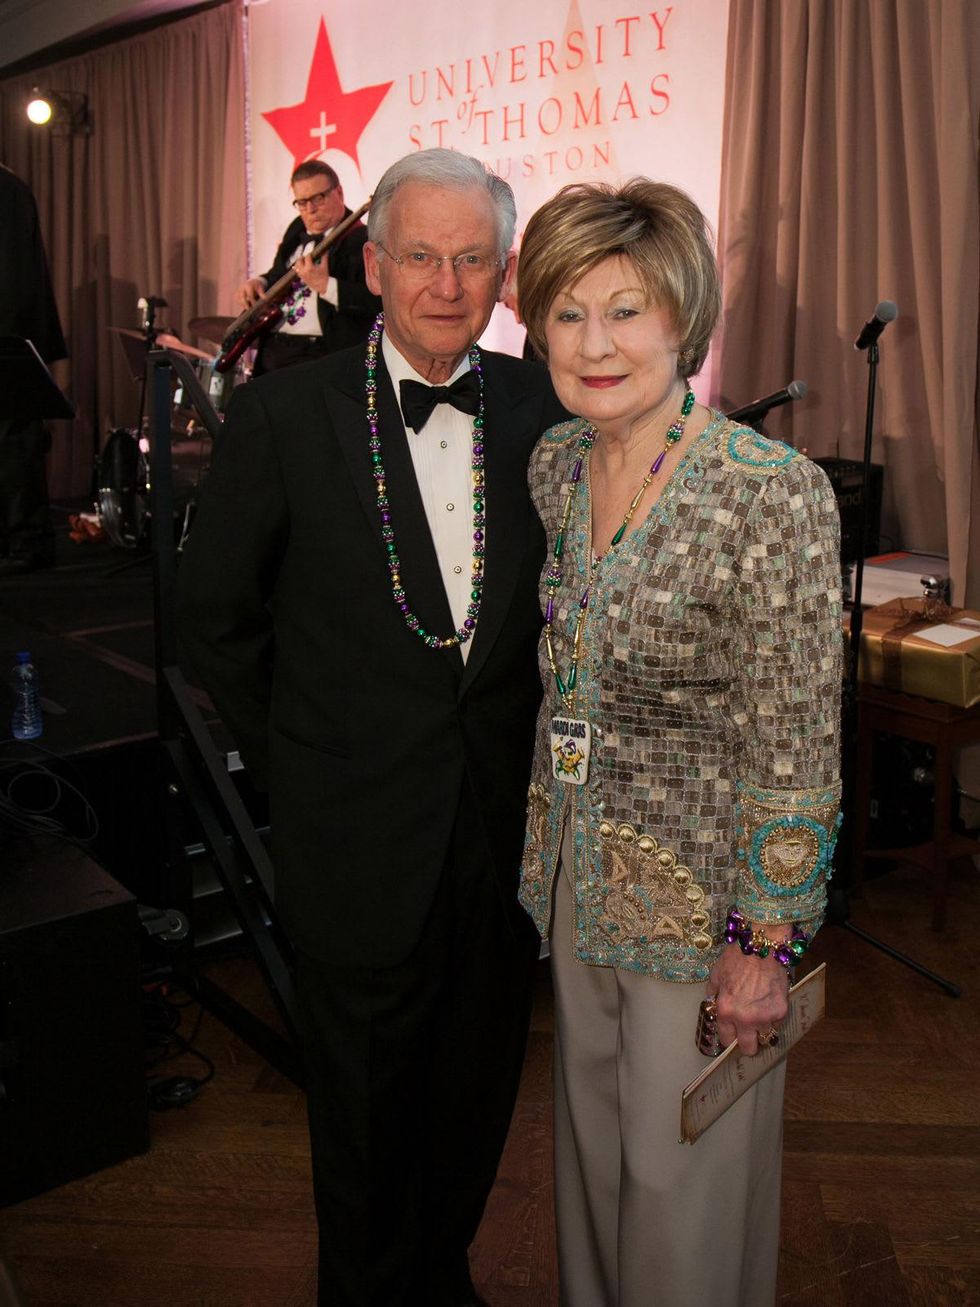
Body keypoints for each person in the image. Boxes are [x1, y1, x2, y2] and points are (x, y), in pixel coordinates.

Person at [178, 148, 566, 1307]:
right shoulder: (288, 411)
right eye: (418, 257)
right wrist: (304, 758)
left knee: (475, 1090)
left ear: (501, 274)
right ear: (375, 264)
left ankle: (437, 1276)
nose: (444, 284)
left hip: (499, 834)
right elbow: (217, 618)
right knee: (358, 1120)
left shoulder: (542, 410)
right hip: (351, 833)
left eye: (469, 260)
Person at [515, 180, 842, 1307]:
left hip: (704, 911)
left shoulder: (768, 491)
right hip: (573, 879)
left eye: (625, 310)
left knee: (682, 1187)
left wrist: (766, 935)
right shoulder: (555, 466)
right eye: (565, 311)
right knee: (590, 1168)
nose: (592, 343)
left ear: (682, 321)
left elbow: (796, 732)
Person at [236, 159, 380, 375]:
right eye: (302, 202)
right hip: (274, 349)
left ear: (339, 193)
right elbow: (279, 274)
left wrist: (325, 286)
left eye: (318, 198)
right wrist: (260, 281)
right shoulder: (296, 229)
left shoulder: (365, 240)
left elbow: (377, 302)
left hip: (321, 354)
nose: (310, 210)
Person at [0, 164, 68, 573]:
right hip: (12, 336)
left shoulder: (6, 190)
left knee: (15, 441)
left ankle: (27, 541)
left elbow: (12, 276)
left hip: (9, 339)